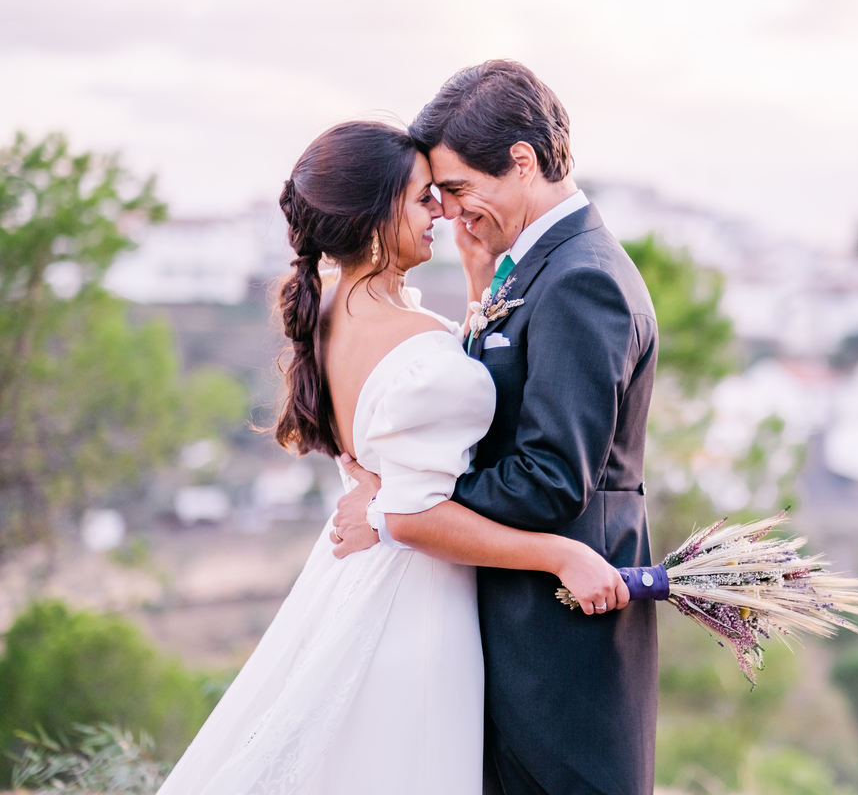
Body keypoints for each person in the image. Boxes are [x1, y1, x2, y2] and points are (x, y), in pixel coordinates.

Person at [155, 120, 628, 795]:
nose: (440, 209)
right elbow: (412, 516)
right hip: (416, 604)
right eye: (420, 198)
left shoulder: (327, 318)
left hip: (356, 575)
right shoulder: (418, 350)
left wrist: (475, 285)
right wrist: (561, 554)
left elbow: (402, 465)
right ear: (376, 217)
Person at [333, 60, 660, 795]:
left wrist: (401, 508)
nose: (446, 212)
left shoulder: (583, 278)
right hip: (512, 630)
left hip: (559, 649)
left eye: (455, 188)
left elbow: (550, 479)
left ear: (522, 162)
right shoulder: (532, 265)